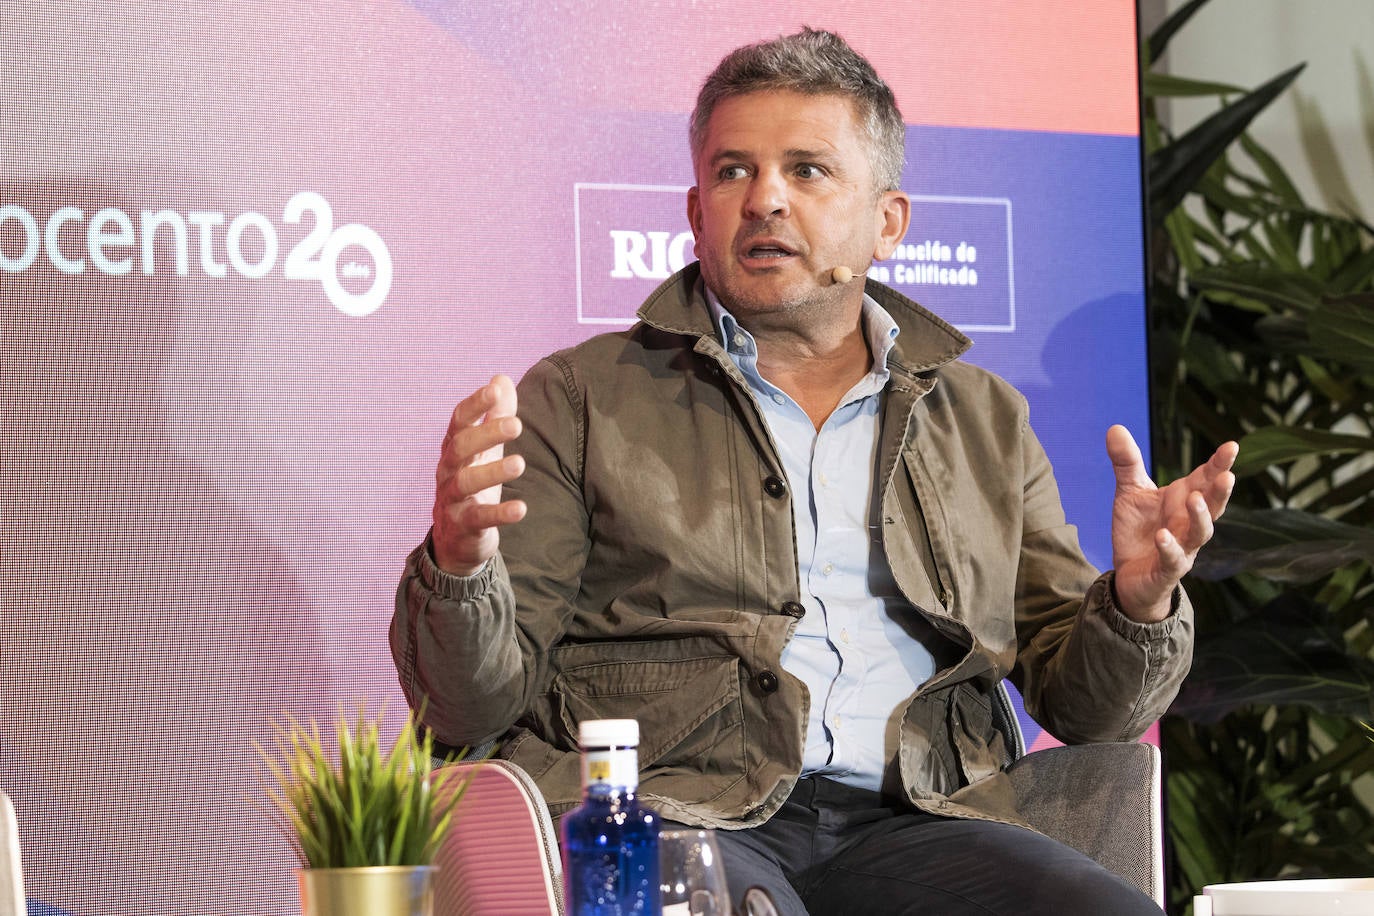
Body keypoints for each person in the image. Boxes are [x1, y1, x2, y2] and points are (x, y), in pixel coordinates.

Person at [392, 28, 1237, 915]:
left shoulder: (983, 416)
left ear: (888, 221)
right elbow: (466, 710)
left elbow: (1086, 709)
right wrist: (458, 568)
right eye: (733, 172)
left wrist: (1137, 605)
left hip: (924, 822)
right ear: (694, 213)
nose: (764, 200)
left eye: (807, 170)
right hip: (681, 810)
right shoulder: (580, 397)